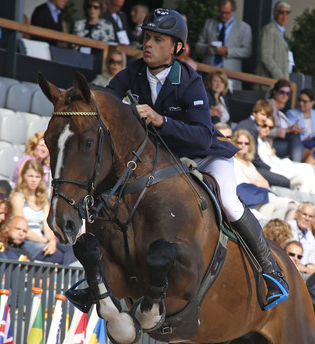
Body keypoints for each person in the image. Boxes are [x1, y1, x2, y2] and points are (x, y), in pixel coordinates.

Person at [107, 8, 288, 309]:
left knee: (229, 202)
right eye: (147, 37)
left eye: (158, 40)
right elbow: (106, 99)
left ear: (176, 48)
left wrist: (161, 120)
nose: (148, 44)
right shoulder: (132, 72)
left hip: (206, 156)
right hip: (166, 160)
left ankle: (271, 272)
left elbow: (203, 135)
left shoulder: (189, 80)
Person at [231, 130, 292, 221]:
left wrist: (254, 182)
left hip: (257, 193)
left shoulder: (250, 163)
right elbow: (245, 182)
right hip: (246, 195)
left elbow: (266, 183)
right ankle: (264, 232)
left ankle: (274, 231)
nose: (243, 145)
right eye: (240, 142)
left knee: (284, 205)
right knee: (269, 202)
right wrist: (256, 182)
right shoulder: (233, 161)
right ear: (234, 143)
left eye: (246, 143)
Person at [233, 100, 291, 188]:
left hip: (252, 164)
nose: (264, 119)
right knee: (284, 181)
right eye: (262, 114)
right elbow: (254, 157)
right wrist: (269, 168)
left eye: (267, 116)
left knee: (284, 180)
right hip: (245, 164)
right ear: (254, 113)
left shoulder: (252, 126)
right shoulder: (248, 127)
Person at [255, 116, 315, 194]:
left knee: (306, 177)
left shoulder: (265, 141)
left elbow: (274, 157)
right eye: (265, 126)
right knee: (307, 168)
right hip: (273, 170)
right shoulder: (256, 141)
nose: (267, 129)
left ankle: (308, 203)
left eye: (270, 127)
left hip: (280, 165)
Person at [194, 0, 252, 82]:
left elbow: (247, 51)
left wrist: (227, 51)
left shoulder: (244, 28)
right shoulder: (209, 23)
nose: (223, 15)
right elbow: (198, 46)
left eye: (227, 13)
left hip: (231, 74)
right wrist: (207, 48)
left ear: (233, 11)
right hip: (209, 71)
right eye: (221, 12)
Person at [287, 89, 315, 167]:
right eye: (299, 100)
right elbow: (293, 132)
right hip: (301, 144)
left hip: (314, 143)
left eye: (304, 101)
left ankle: (305, 174)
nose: (301, 103)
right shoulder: (292, 113)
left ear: (312, 103)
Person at [255, 1, 293, 83]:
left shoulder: (281, 31)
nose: (284, 16)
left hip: (280, 82)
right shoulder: (269, 30)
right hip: (269, 82)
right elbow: (266, 57)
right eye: (281, 13)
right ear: (274, 14)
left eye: (287, 13)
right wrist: (280, 77)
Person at [268, 79, 303, 162]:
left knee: (295, 138)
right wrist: (288, 130)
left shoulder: (278, 111)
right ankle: (295, 165)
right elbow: (266, 130)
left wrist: (292, 129)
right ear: (275, 92)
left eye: (288, 93)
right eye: (282, 92)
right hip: (267, 143)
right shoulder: (268, 106)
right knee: (296, 144)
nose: (285, 96)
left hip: (275, 141)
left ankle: (295, 164)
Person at [288, 201, 315, 278]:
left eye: (310, 216)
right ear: (296, 214)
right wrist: (306, 268)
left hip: (303, 275)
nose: (307, 219)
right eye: (304, 214)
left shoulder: (310, 237)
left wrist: (303, 268)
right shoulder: (288, 228)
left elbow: (313, 267)